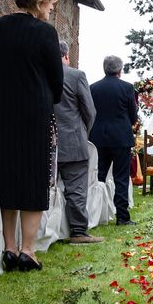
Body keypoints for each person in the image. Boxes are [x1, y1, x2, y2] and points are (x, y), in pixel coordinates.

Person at [0, 0, 64, 272]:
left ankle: (9, 247)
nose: (52, 7)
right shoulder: (45, 33)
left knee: (7, 176)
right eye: (51, 1)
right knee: (33, 177)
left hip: (2, 111)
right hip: (34, 113)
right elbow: (56, 81)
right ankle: (28, 250)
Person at [54, 41, 102, 244]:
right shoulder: (76, 75)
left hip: (45, 142)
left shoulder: (37, 75)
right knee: (76, 189)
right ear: (65, 56)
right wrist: (83, 132)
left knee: (44, 189)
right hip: (73, 139)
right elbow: (90, 111)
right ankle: (78, 231)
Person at [89, 55, 138, 226]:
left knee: (98, 177)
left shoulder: (93, 88)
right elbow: (133, 115)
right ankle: (122, 217)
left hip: (98, 138)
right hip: (120, 138)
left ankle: (95, 215)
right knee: (121, 178)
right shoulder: (127, 88)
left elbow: (90, 113)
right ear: (120, 70)